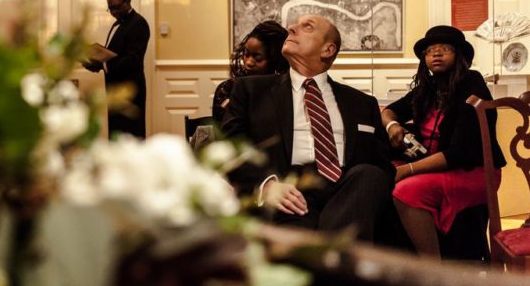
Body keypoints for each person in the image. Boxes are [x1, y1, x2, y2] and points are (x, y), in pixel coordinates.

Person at [222, 14, 394, 241]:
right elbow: (229, 147)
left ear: (327, 50)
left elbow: (383, 166)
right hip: (289, 192)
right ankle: (333, 258)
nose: (291, 28)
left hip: (347, 192)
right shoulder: (251, 91)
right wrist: (266, 184)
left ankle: (325, 253)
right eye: (294, 24)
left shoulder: (362, 103)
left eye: (307, 27)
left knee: (369, 174)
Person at [381, 25, 505, 259]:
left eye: (444, 49)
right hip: (433, 164)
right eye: (429, 51)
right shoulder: (427, 89)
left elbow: (459, 153)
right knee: (378, 179)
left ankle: (433, 270)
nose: (435, 54)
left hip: (474, 171)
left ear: (459, 55)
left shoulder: (471, 85)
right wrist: (392, 125)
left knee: (405, 190)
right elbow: (389, 111)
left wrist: (407, 170)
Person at [83, 0, 150, 137]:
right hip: (115, 88)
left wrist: (104, 65)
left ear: (127, 2)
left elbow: (133, 60)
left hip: (130, 89)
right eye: (110, 8)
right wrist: (96, 63)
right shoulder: (117, 24)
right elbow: (114, 56)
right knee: (117, 131)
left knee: (131, 133)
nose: (113, 12)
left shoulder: (138, 23)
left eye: (116, 7)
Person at [212, 20, 289, 123]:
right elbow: (221, 132)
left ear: (274, 60)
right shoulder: (227, 90)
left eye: (257, 58)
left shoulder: (284, 92)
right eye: (246, 54)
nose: (248, 62)